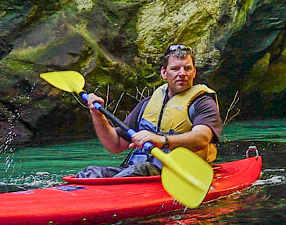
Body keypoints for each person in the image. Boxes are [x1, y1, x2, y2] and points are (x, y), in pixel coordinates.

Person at [77, 44, 223, 178]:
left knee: (141, 169)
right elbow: (115, 144)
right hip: (139, 172)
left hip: (180, 173)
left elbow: (202, 138)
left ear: (194, 72)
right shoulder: (147, 104)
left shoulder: (203, 102)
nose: (182, 73)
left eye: (187, 68)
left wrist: (161, 140)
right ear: (164, 73)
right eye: (175, 69)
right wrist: (97, 114)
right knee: (91, 172)